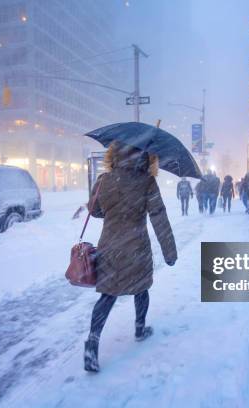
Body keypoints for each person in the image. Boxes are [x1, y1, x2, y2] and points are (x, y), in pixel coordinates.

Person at [85, 142, 177, 372]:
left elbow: (95, 211)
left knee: (107, 294)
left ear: (114, 154)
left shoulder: (104, 180)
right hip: (136, 246)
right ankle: (139, 328)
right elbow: (158, 216)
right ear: (145, 157)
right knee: (141, 288)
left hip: (110, 245)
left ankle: (92, 342)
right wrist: (169, 251)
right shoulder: (147, 182)